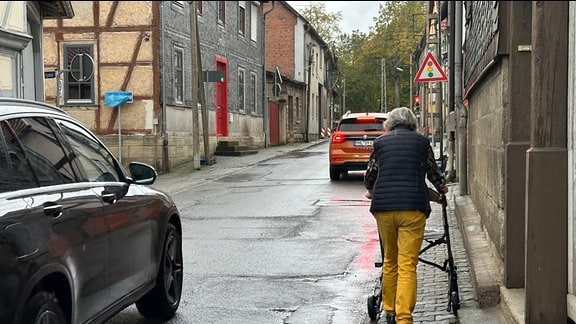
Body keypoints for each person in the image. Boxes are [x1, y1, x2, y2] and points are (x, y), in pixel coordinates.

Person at [364, 107, 448, 324]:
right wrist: (442, 188)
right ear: (412, 123)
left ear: (390, 123)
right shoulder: (422, 143)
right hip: (412, 207)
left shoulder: (379, 143)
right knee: (407, 264)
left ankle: (389, 311)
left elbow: (371, 174)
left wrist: (370, 189)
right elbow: (432, 172)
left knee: (390, 260)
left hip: (384, 208)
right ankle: (404, 318)